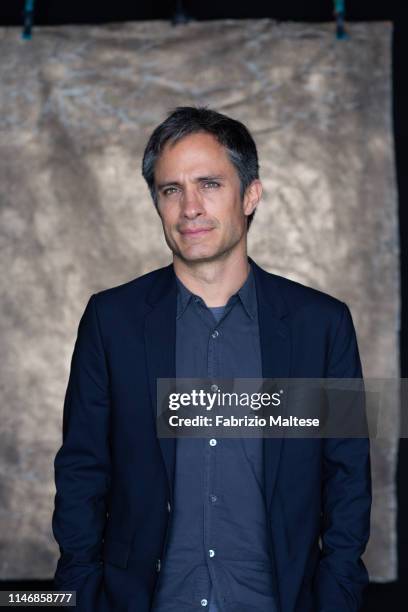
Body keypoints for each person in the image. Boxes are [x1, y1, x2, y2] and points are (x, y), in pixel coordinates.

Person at [52, 106, 372, 612]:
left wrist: (337, 597)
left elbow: (347, 478)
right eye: (171, 189)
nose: (190, 208)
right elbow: (82, 473)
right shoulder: (110, 321)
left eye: (210, 184)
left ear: (250, 195)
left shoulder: (322, 326)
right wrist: (79, 594)